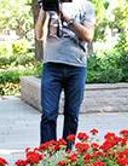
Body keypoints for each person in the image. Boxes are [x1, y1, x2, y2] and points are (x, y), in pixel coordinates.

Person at [35, 0, 95, 147]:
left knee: (72, 114)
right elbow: (39, 35)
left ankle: (67, 156)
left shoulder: (86, 6)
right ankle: (48, 156)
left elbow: (88, 36)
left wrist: (66, 17)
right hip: (52, 66)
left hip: (77, 67)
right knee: (48, 114)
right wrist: (44, 10)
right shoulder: (48, 5)